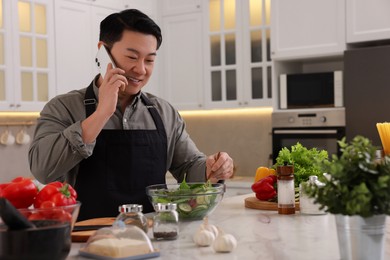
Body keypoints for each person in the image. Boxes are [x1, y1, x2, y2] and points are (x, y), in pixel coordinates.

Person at [28, 9, 234, 220]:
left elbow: (189, 167)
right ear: (103, 51)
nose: (141, 69)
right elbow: (43, 170)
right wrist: (101, 114)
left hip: (152, 239)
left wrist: (212, 169)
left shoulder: (164, 112)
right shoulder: (63, 107)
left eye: (150, 60)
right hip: (85, 240)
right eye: (132, 57)